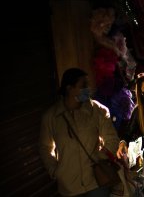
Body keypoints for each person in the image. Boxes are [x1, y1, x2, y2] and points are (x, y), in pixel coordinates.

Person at [39, 68, 120, 197]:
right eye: (84, 86)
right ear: (69, 89)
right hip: (69, 187)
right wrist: (56, 171)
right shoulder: (51, 117)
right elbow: (45, 148)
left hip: (96, 181)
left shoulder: (97, 110)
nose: (88, 89)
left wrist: (99, 157)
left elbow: (112, 140)